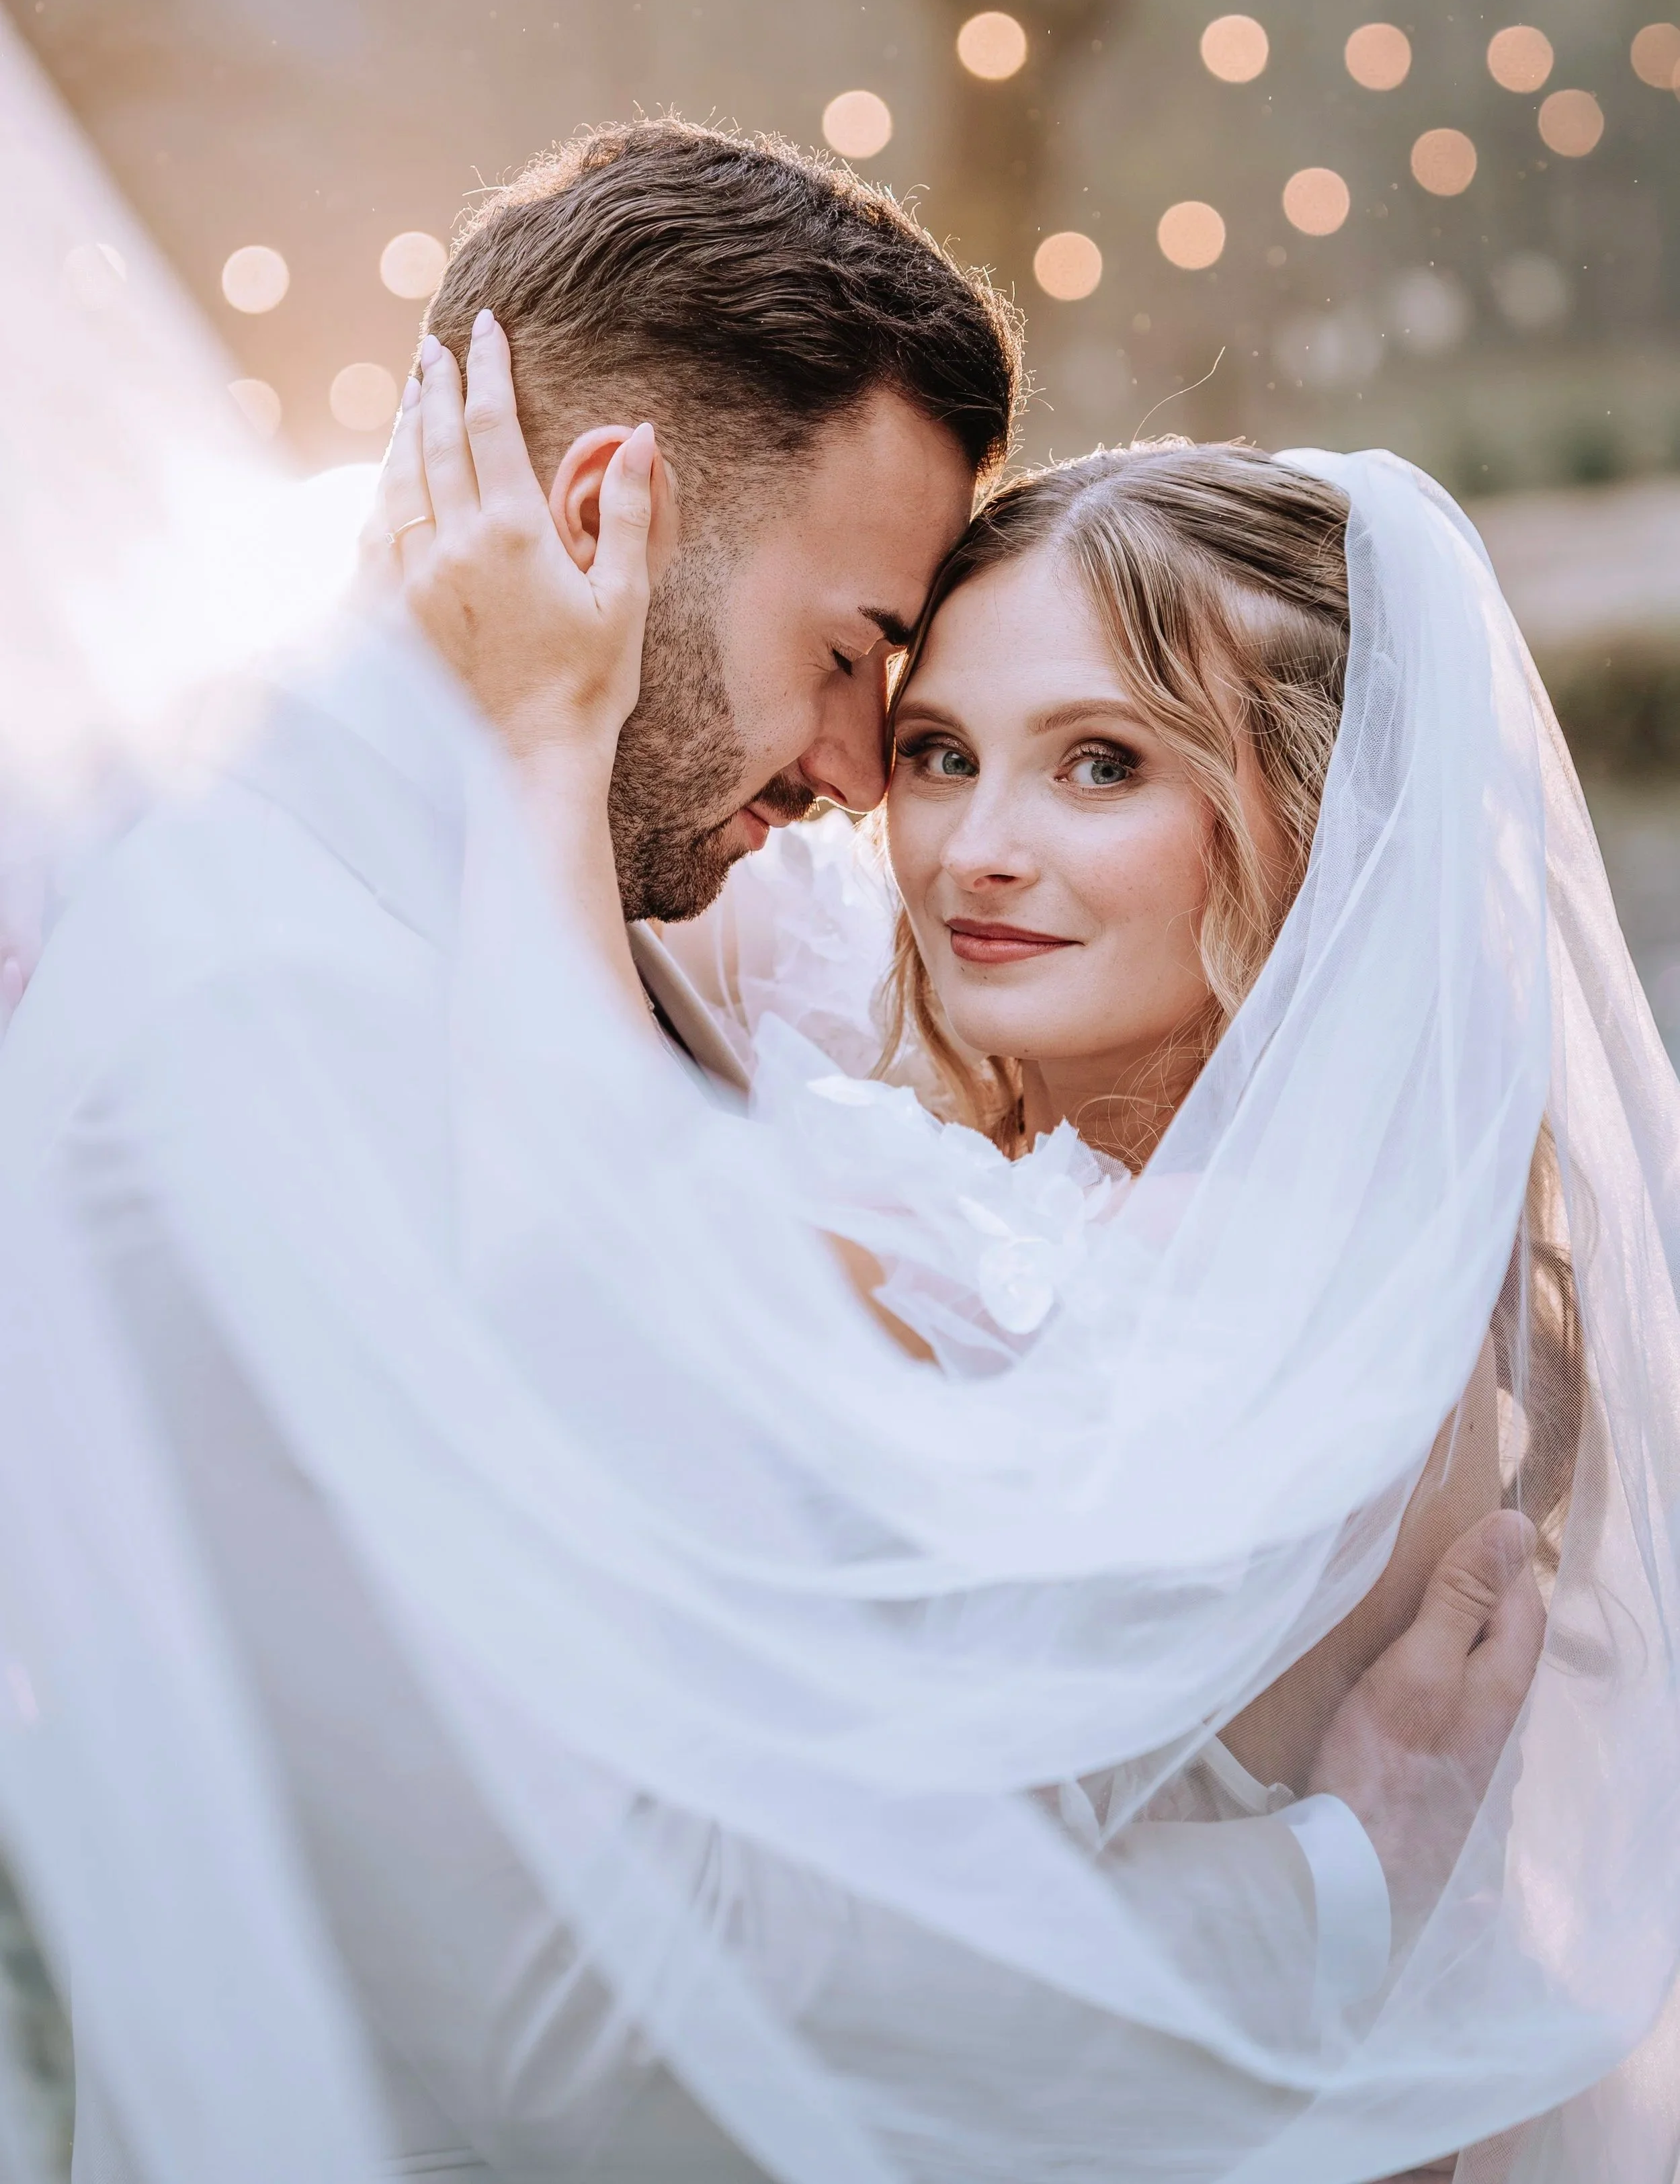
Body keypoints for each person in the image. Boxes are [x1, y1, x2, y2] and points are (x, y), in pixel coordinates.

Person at [1, 113, 1676, 2184]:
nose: (867, 790)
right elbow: (568, 2014)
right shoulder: (248, 1042)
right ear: (602, 514)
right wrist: (1343, 1876)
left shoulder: (628, 943)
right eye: (861, 669)